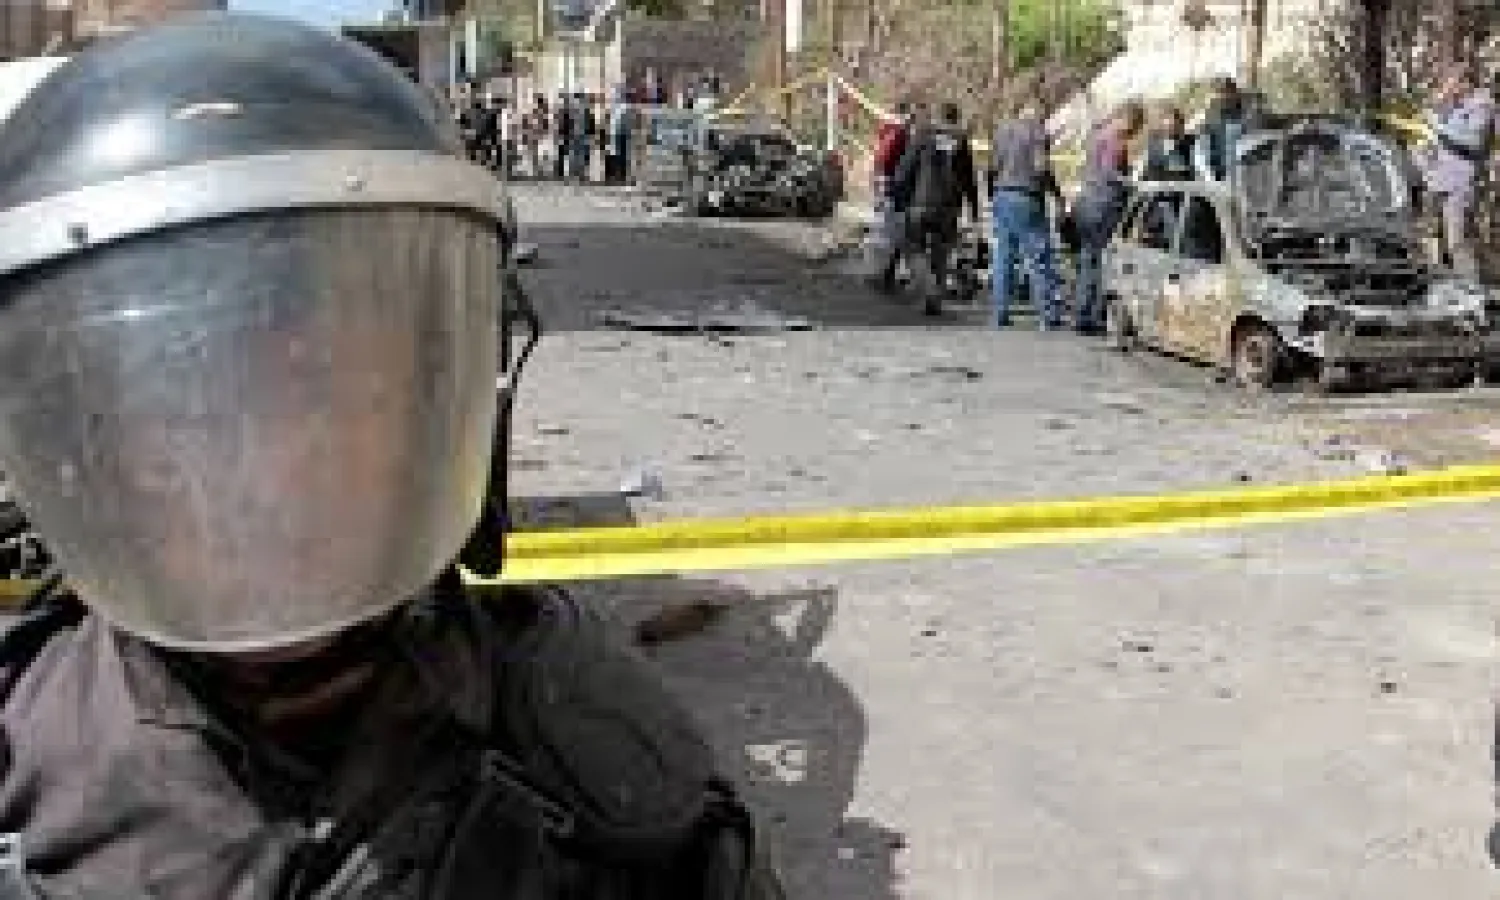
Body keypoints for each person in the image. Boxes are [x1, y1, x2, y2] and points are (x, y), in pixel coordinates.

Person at [0, 15, 786, 899]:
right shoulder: (21, 769)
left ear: (434, 404)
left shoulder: (610, 785)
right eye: (195, 417)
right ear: (85, 440)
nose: (269, 472)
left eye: (331, 398)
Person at [890, 100, 980, 315]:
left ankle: (930, 289)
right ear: (955, 119)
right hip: (949, 206)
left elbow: (905, 168)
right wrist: (974, 208)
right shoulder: (961, 142)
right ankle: (935, 299)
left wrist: (896, 193)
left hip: (921, 202)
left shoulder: (923, 135)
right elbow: (969, 179)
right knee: (941, 252)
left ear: (937, 117)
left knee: (912, 247)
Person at [987, 99, 1063, 329]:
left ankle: (1000, 313)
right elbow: (1042, 169)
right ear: (1037, 115)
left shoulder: (1002, 131)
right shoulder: (1038, 134)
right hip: (1027, 198)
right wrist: (1057, 195)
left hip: (1002, 196)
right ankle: (1047, 316)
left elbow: (992, 167)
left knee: (1003, 257)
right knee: (1039, 257)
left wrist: (994, 194)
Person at [1071, 99, 1145, 334]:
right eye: (1135, 127)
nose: (1134, 134)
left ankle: (1082, 313)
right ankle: (1096, 315)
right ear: (1129, 120)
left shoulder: (1097, 134)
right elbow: (1109, 172)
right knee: (1104, 261)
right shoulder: (1115, 139)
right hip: (1104, 206)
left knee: (1087, 259)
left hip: (1085, 203)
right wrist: (1133, 184)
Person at [1419, 65, 1495, 279]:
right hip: (1437, 179)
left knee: (1457, 242)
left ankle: (1473, 292)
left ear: (1466, 83)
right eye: (1448, 81)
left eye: (1453, 81)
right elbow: (1431, 134)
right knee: (1436, 240)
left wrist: (1437, 126)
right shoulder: (1450, 106)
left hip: (1460, 182)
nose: (1449, 85)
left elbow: (1470, 141)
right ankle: (1444, 286)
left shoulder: (1481, 105)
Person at [868, 100, 916, 293]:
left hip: (884, 183)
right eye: (911, 116)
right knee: (891, 232)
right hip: (891, 186)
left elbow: (879, 159)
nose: (912, 120)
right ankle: (882, 276)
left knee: (884, 230)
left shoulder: (887, 130)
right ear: (903, 115)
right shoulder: (898, 133)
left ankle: (880, 274)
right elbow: (886, 160)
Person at [1193, 76, 1245, 182]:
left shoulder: (1249, 114)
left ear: (1236, 93)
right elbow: (1202, 151)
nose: (1223, 96)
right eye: (1219, 92)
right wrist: (1209, 178)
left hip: (1246, 174)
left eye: (1227, 92)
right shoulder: (1209, 120)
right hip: (1220, 177)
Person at [1135, 104, 1193, 182]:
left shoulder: (1190, 142)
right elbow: (1146, 169)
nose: (1172, 126)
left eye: (1176, 123)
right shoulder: (1153, 144)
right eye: (1169, 123)